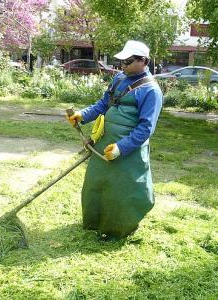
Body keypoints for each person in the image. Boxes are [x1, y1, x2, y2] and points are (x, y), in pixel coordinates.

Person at [66, 40, 163, 241]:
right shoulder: (119, 79)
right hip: (104, 143)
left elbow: (146, 128)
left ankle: (117, 230)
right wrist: (82, 115)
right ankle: (94, 223)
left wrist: (121, 148)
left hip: (127, 151)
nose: (123, 66)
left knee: (121, 191)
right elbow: (103, 104)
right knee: (96, 184)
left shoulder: (151, 91)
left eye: (128, 61)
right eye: (121, 62)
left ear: (143, 61)